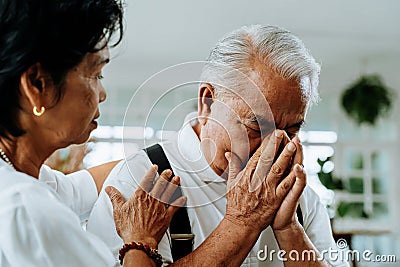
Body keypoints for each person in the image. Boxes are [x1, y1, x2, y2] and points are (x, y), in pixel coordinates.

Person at [0, 2, 311, 266]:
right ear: (37, 86)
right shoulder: (27, 211)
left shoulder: (28, 181)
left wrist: (179, 155)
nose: (103, 92)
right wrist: (141, 244)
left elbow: (73, 188)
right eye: (95, 73)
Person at [88, 25, 350, 266]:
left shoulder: (303, 200)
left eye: (291, 130)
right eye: (256, 127)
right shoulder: (138, 185)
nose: (274, 149)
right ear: (208, 102)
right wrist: (243, 222)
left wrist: (289, 229)